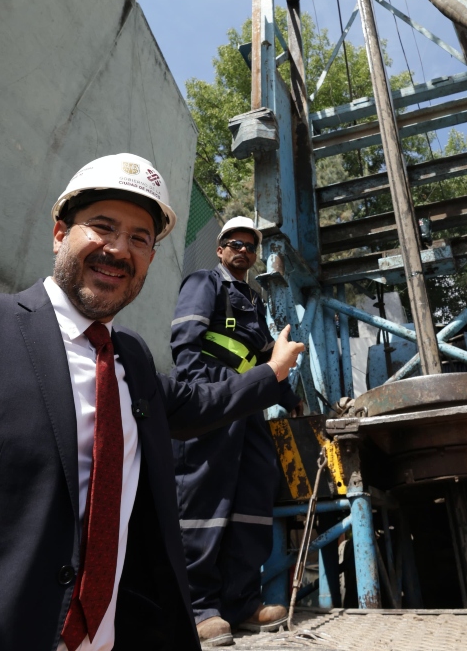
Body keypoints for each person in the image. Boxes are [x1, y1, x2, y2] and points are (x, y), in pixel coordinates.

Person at [0, 154, 304, 651]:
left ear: (151, 259)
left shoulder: (131, 362)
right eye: (102, 226)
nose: (119, 250)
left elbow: (197, 406)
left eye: (140, 239)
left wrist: (273, 373)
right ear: (59, 233)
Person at [171, 217, 301, 647]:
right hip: (212, 403)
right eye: (234, 244)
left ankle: (241, 602)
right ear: (220, 249)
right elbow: (187, 352)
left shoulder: (253, 300)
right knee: (204, 501)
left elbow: (264, 361)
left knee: (252, 498)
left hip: (248, 407)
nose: (243, 250)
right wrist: (213, 395)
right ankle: (199, 608)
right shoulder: (204, 283)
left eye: (250, 245)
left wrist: (292, 398)